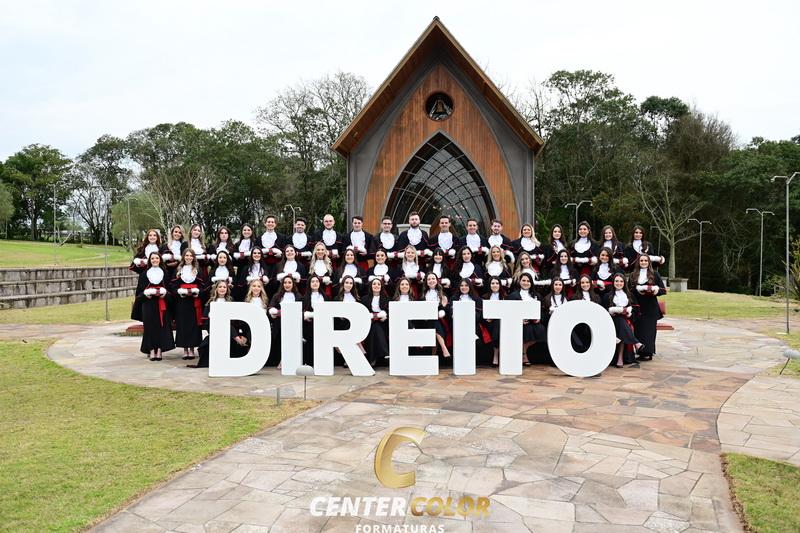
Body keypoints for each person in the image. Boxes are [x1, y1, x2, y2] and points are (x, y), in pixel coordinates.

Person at [190, 280, 248, 369]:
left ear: (227, 289)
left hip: (229, 330)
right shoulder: (210, 302)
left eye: (224, 287)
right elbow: (206, 321)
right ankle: (237, 339)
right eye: (220, 287)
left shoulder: (231, 301)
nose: (222, 289)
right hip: (215, 329)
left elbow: (235, 319)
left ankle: (235, 338)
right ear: (216, 289)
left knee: (227, 324)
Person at [133, 251, 175, 361]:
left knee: (162, 327)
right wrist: (146, 294)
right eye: (152, 258)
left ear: (160, 260)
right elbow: (139, 293)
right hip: (148, 304)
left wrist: (165, 294)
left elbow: (171, 291)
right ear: (150, 261)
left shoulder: (166, 273)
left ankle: (159, 350)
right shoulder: (144, 274)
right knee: (149, 327)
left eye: (157, 258)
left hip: (162, 304)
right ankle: (151, 350)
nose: (155, 260)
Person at [604, 273, 648, 368]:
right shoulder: (607, 295)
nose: (619, 283)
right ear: (613, 282)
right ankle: (636, 343)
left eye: (621, 281)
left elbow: (636, 310)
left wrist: (629, 312)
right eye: (616, 281)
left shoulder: (629, 295)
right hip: (611, 321)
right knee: (621, 322)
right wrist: (612, 311)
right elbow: (603, 311)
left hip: (625, 320)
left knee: (622, 324)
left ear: (624, 283)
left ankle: (620, 358)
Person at [630, 254, 667, 361]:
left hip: (651, 307)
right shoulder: (633, 275)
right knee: (639, 329)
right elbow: (629, 290)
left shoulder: (655, 274)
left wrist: (655, 290)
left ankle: (648, 352)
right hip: (638, 306)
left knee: (649, 331)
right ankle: (641, 352)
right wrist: (637, 290)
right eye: (641, 260)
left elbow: (663, 290)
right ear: (638, 262)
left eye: (645, 260)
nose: (643, 262)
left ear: (649, 262)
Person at [505, 272, 545, 366]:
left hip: (534, 322)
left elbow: (542, 311)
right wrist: (518, 320)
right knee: (527, 329)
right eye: (523, 280)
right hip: (519, 324)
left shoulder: (537, 296)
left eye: (528, 281)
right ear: (519, 282)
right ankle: (524, 355)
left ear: (531, 283)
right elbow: (509, 312)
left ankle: (523, 350)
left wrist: (539, 318)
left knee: (541, 329)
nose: (526, 283)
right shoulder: (512, 296)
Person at [172, 248, 203, 360]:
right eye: (187, 255)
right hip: (182, 302)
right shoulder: (178, 270)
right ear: (183, 257)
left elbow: (202, 285)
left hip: (194, 302)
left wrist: (197, 292)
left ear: (193, 257)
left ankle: (192, 349)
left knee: (193, 326)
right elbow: (173, 286)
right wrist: (179, 292)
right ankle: (185, 349)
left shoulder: (198, 270)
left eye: (191, 255)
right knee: (183, 325)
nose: (189, 257)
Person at [268, 275, 302, 369]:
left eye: (289, 282)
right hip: (280, 324)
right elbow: (270, 307)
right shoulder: (277, 296)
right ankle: (281, 360)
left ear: (293, 284)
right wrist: (274, 312)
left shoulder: (298, 296)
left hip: (294, 324)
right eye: (285, 282)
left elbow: (301, 310)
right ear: (282, 284)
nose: (287, 284)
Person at [420, 272, 451, 358]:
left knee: (435, 323)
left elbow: (445, 309)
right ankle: (443, 348)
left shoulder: (442, 293)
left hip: (440, 320)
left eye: (433, 278)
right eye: (429, 279)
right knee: (434, 323)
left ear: (437, 280)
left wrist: (443, 307)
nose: (431, 281)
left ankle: (436, 353)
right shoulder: (423, 295)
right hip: (426, 320)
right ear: (426, 282)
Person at [363, 278, 390, 365]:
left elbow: (389, 312)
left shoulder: (387, 299)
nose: (376, 286)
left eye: (378, 284)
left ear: (381, 286)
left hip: (383, 323)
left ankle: (372, 359)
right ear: (371, 286)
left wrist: (384, 315)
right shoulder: (365, 299)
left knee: (376, 327)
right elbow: (363, 312)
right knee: (374, 327)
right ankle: (385, 352)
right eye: (374, 284)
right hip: (369, 323)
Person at [301, 275, 326, 365]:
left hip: (323, 325)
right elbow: (301, 312)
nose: (315, 283)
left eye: (317, 281)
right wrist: (305, 315)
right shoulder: (304, 298)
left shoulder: (325, 297)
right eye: (313, 281)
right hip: (309, 325)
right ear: (309, 284)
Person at [483, 277, 505, 365]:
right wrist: (487, 318)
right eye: (492, 283)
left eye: (497, 283)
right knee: (496, 325)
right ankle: (496, 354)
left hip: (503, 321)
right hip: (488, 322)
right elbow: (482, 312)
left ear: (500, 285)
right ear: (489, 285)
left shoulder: (505, 297)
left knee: (498, 323)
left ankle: (496, 354)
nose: (495, 285)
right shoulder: (484, 297)